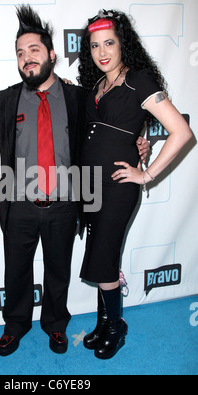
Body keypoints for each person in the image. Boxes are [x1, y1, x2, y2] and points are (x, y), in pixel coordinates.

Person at [78, 9, 193, 360]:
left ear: (123, 44)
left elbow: (182, 131)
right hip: (89, 186)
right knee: (101, 257)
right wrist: (139, 137)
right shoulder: (96, 84)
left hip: (116, 188)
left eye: (109, 43)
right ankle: (103, 321)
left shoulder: (139, 80)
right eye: (95, 45)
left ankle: (116, 328)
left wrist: (146, 174)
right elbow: (116, 126)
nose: (102, 52)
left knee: (103, 259)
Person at [0, 5, 88, 356]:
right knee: (15, 270)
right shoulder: (3, 101)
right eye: (20, 53)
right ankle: (15, 324)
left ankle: (55, 325)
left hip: (63, 203)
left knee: (58, 270)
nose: (26, 58)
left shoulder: (77, 99)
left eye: (33, 50)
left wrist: (138, 141)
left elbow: (101, 135)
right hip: (19, 205)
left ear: (51, 54)